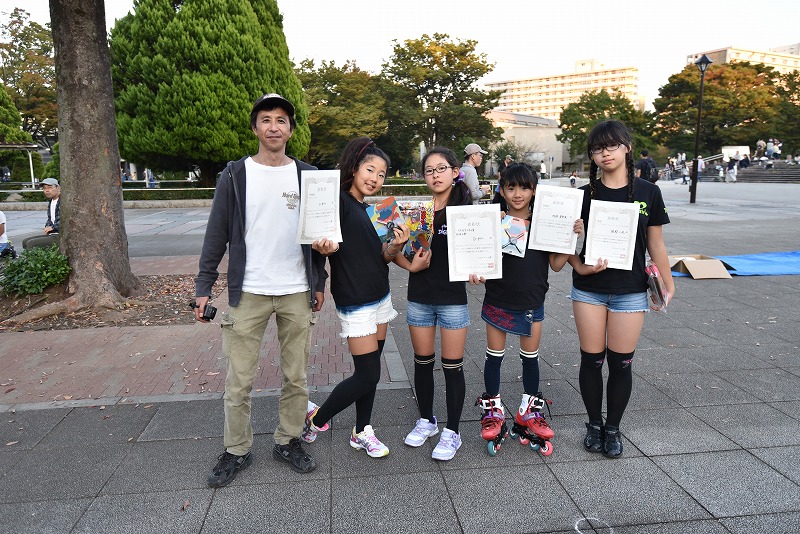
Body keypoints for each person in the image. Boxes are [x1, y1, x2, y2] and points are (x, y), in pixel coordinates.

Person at [195, 93, 328, 487]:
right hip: (248, 291)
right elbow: (216, 234)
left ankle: (288, 440)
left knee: (296, 376)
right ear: (255, 128)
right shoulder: (235, 175)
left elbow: (321, 233)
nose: (274, 126)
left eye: (281, 120)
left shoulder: (308, 175)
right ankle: (236, 448)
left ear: (291, 130)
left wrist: (319, 281)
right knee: (239, 380)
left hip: (296, 289)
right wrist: (204, 286)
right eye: (266, 119)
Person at [302, 137, 430, 457]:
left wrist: (397, 245)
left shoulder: (371, 211)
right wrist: (322, 253)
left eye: (382, 174)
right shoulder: (340, 202)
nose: (375, 178)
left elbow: (383, 256)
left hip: (380, 297)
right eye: (369, 169)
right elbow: (318, 239)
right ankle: (317, 420)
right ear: (354, 167)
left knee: (369, 373)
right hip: (355, 300)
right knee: (369, 374)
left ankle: (362, 430)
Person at [569, 119, 675, 459]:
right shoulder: (583, 195)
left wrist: (667, 283)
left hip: (630, 290)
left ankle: (613, 428)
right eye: (597, 149)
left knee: (621, 364)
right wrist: (579, 261)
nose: (605, 153)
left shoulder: (648, 192)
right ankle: (594, 424)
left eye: (611, 146)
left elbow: (656, 243)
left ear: (627, 147)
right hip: (589, 289)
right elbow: (563, 244)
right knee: (591, 361)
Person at [470, 163, 583, 453]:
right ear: (502, 190)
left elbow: (556, 265)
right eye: (511, 188)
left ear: (534, 190)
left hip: (533, 301)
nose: (517, 194)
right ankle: (493, 411)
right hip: (498, 299)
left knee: (530, 358)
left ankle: (529, 410)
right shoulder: (493, 220)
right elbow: (478, 258)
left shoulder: (545, 223)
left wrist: (571, 237)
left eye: (524, 187)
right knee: (493, 357)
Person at [400, 146, 472, 461]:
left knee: (452, 366)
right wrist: (408, 261)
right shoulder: (419, 214)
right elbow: (399, 252)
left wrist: (480, 270)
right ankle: (427, 421)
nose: (435, 175)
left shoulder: (467, 212)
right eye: (429, 170)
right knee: (422, 362)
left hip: (452, 298)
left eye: (441, 168)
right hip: (420, 296)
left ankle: (453, 431)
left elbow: (480, 251)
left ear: (455, 172)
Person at [22, 178, 61, 250]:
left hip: (60, 235)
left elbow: (65, 220)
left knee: (31, 244)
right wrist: (47, 226)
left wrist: (53, 228)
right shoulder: (51, 201)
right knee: (25, 241)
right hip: (52, 233)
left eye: (50, 187)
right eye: (44, 188)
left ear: (58, 188)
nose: (46, 190)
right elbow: (50, 219)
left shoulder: (62, 201)